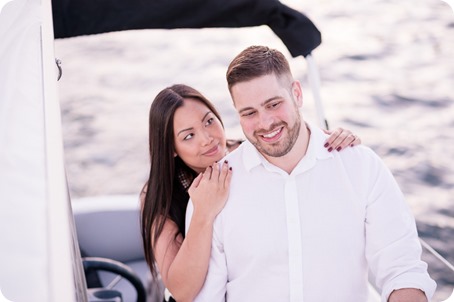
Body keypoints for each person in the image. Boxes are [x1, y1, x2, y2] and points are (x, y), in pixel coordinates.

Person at [185, 46, 437, 302]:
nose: (265, 123)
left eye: (273, 104)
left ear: (296, 94)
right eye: (249, 113)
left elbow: (402, 270)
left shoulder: (361, 167)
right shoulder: (215, 190)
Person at [140, 84, 361, 302]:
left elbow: (299, 144)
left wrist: (332, 140)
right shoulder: (161, 194)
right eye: (189, 136)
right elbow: (182, 292)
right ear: (171, 148)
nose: (207, 138)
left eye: (209, 121)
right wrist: (203, 213)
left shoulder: (250, 154)